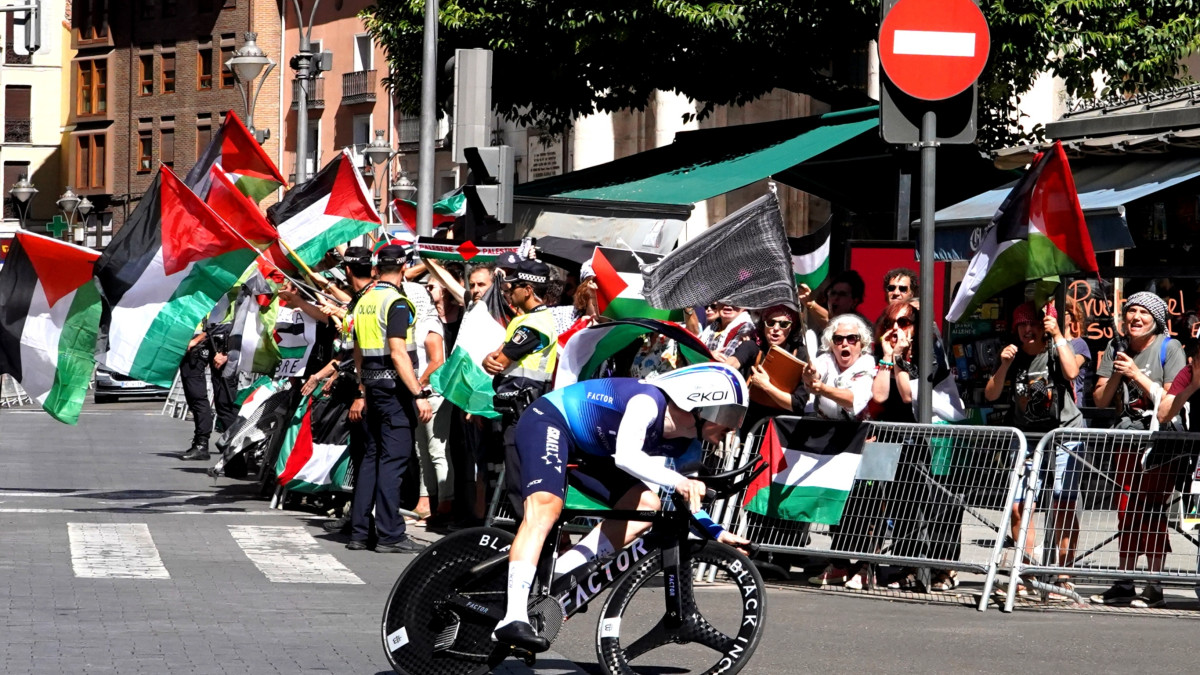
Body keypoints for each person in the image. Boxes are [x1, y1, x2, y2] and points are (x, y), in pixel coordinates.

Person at [492, 363, 753, 652]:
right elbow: (627, 457)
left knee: (647, 506)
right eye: (729, 415)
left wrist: (716, 532)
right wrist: (679, 481)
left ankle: (562, 572)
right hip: (552, 421)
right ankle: (512, 618)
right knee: (546, 508)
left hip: (590, 449)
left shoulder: (688, 443)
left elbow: (688, 501)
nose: (732, 427)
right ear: (701, 405)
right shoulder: (647, 402)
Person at [1091, 292, 1186, 607]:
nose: (1135, 317)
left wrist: (1135, 374)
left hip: (1160, 444)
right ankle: (1124, 581)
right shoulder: (1115, 347)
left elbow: (1171, 401)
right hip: (1127, 441)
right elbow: (1100, 400)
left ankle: (1154, 585)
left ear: (1156, 319)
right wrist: (1118, 372)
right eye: (1131, 311)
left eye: (1143, 312)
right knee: (1127, 510)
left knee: (1153, 511)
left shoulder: (1169, 348)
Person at [984, 302, 1083, 597]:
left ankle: (1063, 576)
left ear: (1044, 326)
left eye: (1034, 324)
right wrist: (1003, 365)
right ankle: (1025, 571)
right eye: (1022, 324)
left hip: (1063, 433)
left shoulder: (1055, 350)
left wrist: (1059, 335)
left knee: (1063, 505)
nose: (1028, 330)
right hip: (1027, 436)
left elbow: (1072, 372)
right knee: (1020, 506)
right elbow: (991, 394)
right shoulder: (1012, 355)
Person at [871, 300, 966, 592]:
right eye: (890, 323)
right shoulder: (884, 349)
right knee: (903, 501)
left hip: (940, 432)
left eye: (903, 323)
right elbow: (879, 396)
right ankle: (909, 566)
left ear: (916, 326)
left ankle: (945, 568)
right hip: (902, 435)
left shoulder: (930, 349)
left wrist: (898, 357)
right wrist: (888, 357)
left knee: (943, 503)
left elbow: (907, 394)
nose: (896, 329)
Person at [347, 244, 433, 553]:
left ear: (376, 269)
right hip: (395, 392)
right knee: (392, 462)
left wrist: (362, 389)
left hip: (372, 390)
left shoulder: (364, 301)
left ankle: (359, 532)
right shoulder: (396, 302)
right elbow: (398, 353)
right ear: (405, 267)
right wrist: (419, 393)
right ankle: (390, 534)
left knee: (371, 459)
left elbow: (358, 351)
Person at [798, 313, 877, 590]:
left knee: (865, 507)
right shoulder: (825, 360)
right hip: (834, 442)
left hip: (865, 441)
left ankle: (866, 567)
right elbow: (812, 375)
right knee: (836, 504)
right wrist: (809, 377)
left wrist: (822, 388)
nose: (845, 344)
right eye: (839, 339)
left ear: (861, 343)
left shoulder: (867, 364)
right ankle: (839, 563)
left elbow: (855, 399)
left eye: (851, 339)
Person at [743, 304, 811, 430]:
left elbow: (797, 404)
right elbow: (733, 363)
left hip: (782, 429)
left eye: (784, 324)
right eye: (770, 322)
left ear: (792, 327)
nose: (776, 328)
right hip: (750, 424)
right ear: (764, 325)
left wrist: (766, 386)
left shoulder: (801, 353)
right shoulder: (754, 347)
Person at [178, 322, 235, 461]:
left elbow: (231, 321)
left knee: (224, 402)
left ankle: (235, 450)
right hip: (197, 344)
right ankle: (201, 444)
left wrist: (198, 339)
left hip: (220, 343)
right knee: (196, 397)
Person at [806, 270, 865, 335]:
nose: (836, 298)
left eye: (842, 294)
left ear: (854, 302)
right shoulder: (817, 322)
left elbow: (833, 326)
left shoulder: (861, 326)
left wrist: (810, 303)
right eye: (833, 293)